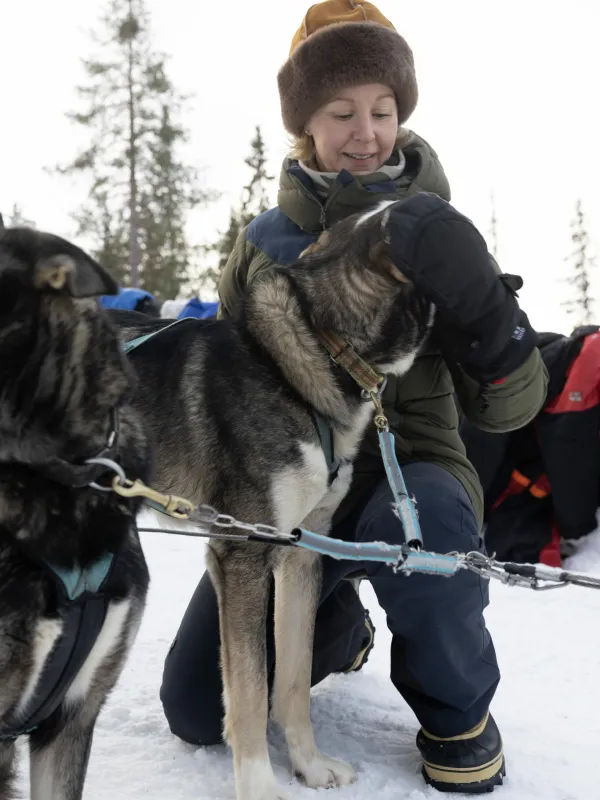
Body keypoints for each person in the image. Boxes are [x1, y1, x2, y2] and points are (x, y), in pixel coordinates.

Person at [160, 1, 548, 792]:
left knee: (430, 525)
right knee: (196, 709)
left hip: (412, 472)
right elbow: (230, 395)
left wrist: (487, 318)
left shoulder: (442, 229)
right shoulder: (264, 243)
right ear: (307, 124)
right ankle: (337, 627)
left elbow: (510, 410)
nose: (365, 132)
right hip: (288, 481)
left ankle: (458, 711)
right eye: (341, 112)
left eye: (382, 110)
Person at [461, 324, 600, 566]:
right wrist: (579, 528)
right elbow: (568, 450)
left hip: (524, 432)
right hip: (497, 434)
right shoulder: (590, 362)